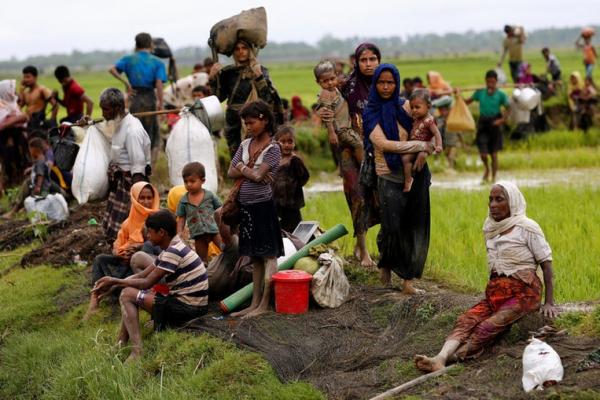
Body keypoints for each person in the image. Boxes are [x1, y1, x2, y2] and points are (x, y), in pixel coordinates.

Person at [415, 182, 558, 372]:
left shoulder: (527, 227)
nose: (492, 204)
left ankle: (451, 360)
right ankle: (440, 357)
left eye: (499, 199)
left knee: (486, 327)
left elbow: (546, 266)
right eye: (490, 199)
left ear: (512, 203)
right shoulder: (490, 228)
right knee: (466, 320)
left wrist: (549, 302)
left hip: (524, 294)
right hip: (495, 294)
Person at [92, 209, 209, 361]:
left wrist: (115, 281)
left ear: (161, 232)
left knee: (127, 294)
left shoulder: (173, 252)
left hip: (188, 308)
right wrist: (113, 285)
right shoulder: (173, 247)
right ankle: (121, 342)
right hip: (190, 304)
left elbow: (146, 282)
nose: (147, 236)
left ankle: (136, 351)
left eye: (150, 232)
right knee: (128, 290)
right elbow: (142, 274)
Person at [364, 64, 434, 292]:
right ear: (375, 84)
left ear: (397, 84)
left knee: (414, 226)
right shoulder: (370, 111)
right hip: (388, 174)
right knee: (391, 226)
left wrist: (426, 148)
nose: (386, 87)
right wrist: (421, 145)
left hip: (417, 173)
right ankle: (385, 265)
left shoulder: (405, 106)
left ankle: (407, 281)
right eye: (381, 82)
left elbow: (429, 126)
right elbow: (384, 145)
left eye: (390, 82)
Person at [227, 100, 284, 318]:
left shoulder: (273, 148)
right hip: (247, 208)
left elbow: (260, 177)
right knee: (255, 257)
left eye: (251, 123)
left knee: (268, 255)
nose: (247, 127)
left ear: (264, 119)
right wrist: (248, 169)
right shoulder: (244, 144)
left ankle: (264, 304)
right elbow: (231, 172)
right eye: (245, 124)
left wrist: (242, 167)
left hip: (263, 207)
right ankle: (254, 303)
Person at [332, 42, 382, 267]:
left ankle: (362, 245)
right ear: (356, 62)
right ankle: (363, 251)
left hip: (379, 147)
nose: (368, 64)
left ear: (379, 61)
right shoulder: (346, 86)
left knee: (378, 197)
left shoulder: (386, 84)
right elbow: (328, 104)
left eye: (372, 59)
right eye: (364, 60)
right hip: (350, 149)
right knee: (357, 195)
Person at [84, 182, 160, 319]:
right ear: (134, 199)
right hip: (125, 263)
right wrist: (121, 251)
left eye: (149, 198)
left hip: (145, 267)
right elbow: (117, 244)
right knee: (100, 259)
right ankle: (95, 296)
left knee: (145, 248)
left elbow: (160, 245)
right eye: (141, 198)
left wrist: (138, 247)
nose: (146, 201)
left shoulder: (159, 218)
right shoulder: (128, 222)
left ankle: (134, 290)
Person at [209, 40, 283, 157]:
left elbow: (268, 99)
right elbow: (218, 98)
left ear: (251, 50)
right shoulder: (227, 73)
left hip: (255, 120)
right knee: (236, 156)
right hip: (233, 121)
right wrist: (213, 79)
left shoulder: (260, 70)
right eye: (237, 49)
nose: (241, 52)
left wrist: (259, 78)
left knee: (257, 156)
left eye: (244, 48)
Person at [98, 88, 151, 241]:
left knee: (131, 227)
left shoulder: (132, 130)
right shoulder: (119, 124)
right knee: (117, 229)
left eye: (106, 109)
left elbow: (138, 167)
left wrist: (136, 200)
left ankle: (130, 254)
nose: (103, 114)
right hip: (121, 184)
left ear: (118, 108)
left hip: (131, 183)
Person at [109, 32, 167, 167]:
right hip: (149, 99)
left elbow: (112, 69)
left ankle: (133, 164)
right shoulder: (157, 62)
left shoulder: (129, 59)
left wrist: (126, 83)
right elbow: (159, 84)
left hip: (134, 98)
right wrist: (161, 103)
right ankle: (148, 168)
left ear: (136, 44)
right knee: (151, 134)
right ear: (150, 44)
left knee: (133, 130)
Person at [462, 70, 510, 183]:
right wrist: (458, 95)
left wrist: (502, 120)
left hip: (495, 124)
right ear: (486, 81)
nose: (490, 85)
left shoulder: (501, 95)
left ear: (496, 82)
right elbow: (467, 102)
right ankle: (487, 169)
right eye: (488, 82)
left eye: (493, 82)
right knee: (483, 153)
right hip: (483, 124)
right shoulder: (480, 93)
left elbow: (509, 108)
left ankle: (493, 177)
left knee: (494, 154)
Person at [314, 60, 363, 164]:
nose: (330, 83)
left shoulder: (335, 90)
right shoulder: (326, 94)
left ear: (336, 75)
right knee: (359, 144)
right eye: (325, 81)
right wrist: (331, 133)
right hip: (341, 129)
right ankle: (363, 167)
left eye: (332, 79)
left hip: (346, 127)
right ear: (318, 82)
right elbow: (327, 115)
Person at [176, 162, 222, 261]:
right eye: (185, 181)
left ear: (203, 181)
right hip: (198, 234)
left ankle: (233, 267)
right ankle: (205, 274)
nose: (188, 184)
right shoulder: (184, 201)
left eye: (192, 181)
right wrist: (179, 233)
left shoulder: (209, 195)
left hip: (214, 231)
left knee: (225, 249)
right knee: (201, 259)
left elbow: (220, 209)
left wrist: (223, 226)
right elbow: (181, 218)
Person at [402, 90, 443, 192]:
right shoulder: (416, 118)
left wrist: (439, 146)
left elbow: (436, 133)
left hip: (423, 148)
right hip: (413, 147)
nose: (414, 110)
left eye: (417, 107)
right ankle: (408, 180)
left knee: (418, 160)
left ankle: (414, 179)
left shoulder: (429, 121)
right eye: (412, 108)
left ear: (428, 106)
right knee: (405, 159)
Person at [273, 125, 310, 233]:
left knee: (294, 228)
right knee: (278, 228)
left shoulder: (295, 161)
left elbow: (304, 177)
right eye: (282, 142)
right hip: (276, 202)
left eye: (290, 142)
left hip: (292, 204)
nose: (287, 145)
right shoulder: (273, 160)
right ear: (276, 143)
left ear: (294, 143)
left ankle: (298, 247)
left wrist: (292, 187)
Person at [0, 79, 28, 191]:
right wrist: (18, 119)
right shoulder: (2, 106)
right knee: (8, 160)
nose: (14, 92)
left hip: (17, 138)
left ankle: (18, 182)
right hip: (5, 139)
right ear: (5, 91)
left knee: (19, 159)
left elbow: (24, 117)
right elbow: (2, 124)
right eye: (12, 89)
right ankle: (9, 184)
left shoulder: (12, 104)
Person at [18, 65, 56, 131]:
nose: (25, 79)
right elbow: (18, 107)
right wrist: (21, 91)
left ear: (35, 77)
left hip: (38, 122)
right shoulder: (25, 93)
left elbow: (55, 105)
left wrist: (52, 120)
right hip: (27, 122)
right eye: (24, 77)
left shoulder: (42, 90)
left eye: (28, 77)